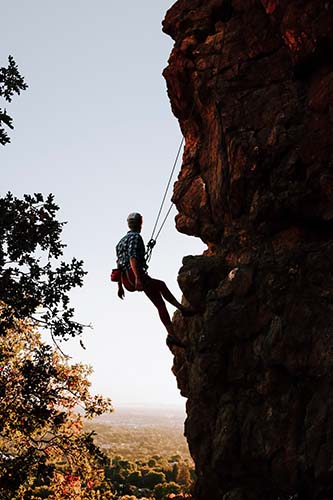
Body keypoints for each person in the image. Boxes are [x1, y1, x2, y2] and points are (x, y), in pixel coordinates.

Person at [115, 212, 193, 349]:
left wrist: (120, 287)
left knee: (159, 302)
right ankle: (182, 309)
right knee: (161, 286)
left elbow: (119, 265)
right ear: (140, 224)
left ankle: (172, 335)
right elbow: (133, 258)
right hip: (134, 275)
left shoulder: (120, 243)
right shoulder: (135, 237)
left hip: (126, 279)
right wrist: (138, 278)